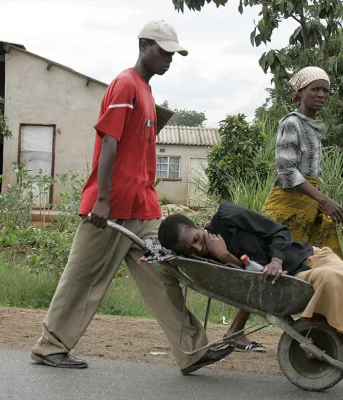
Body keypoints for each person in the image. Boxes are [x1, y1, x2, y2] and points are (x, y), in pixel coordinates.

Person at [30, 20, 233, 375]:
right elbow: (110, 143)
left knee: (163, 277)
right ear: (143, 45)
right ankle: (51, 346)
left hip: (142, 210)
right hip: (109, 209)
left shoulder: (148, 94)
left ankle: (193, 350)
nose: (168, 59)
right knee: (83, 278)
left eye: (172, 54)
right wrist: (103, 200)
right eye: (162, 51)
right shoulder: (126, 84)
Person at [225, 66, 343, 354]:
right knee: (271, 269)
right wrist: (324, 200)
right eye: (315, 88)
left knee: (334, 266)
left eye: (326, 89)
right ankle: (235, 330)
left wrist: (319, 202)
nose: (321, 94)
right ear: (300, 92)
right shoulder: (291, 123)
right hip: (287, 208)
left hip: (310, 207)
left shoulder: (314, 126)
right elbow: (287, 171)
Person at [158, 202, 343, 390]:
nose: (198, 248)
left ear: (198, 225)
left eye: (197, 239)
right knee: (336, 282)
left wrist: (276, 261)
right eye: (189, 250)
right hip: (293, 278)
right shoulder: (206, 260)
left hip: (306, 256)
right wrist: (225, 256)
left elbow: (279, 232)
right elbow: (245, 284)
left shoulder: (228, 217)